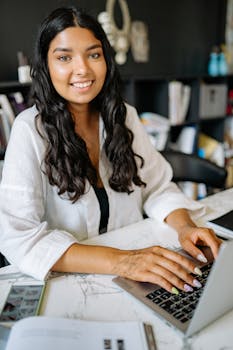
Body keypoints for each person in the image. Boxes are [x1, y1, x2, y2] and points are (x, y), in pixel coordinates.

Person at [0, 7, 221, 294]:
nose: (83, 69)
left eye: (93, 54)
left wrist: (185, 227)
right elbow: (19, 237)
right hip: (73, 282)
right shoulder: (30, 129)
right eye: (64, 57)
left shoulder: (123, 116)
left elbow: (157, 188)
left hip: (132, 271)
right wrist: (125, 262)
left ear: (106, 60)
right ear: (45, 65)